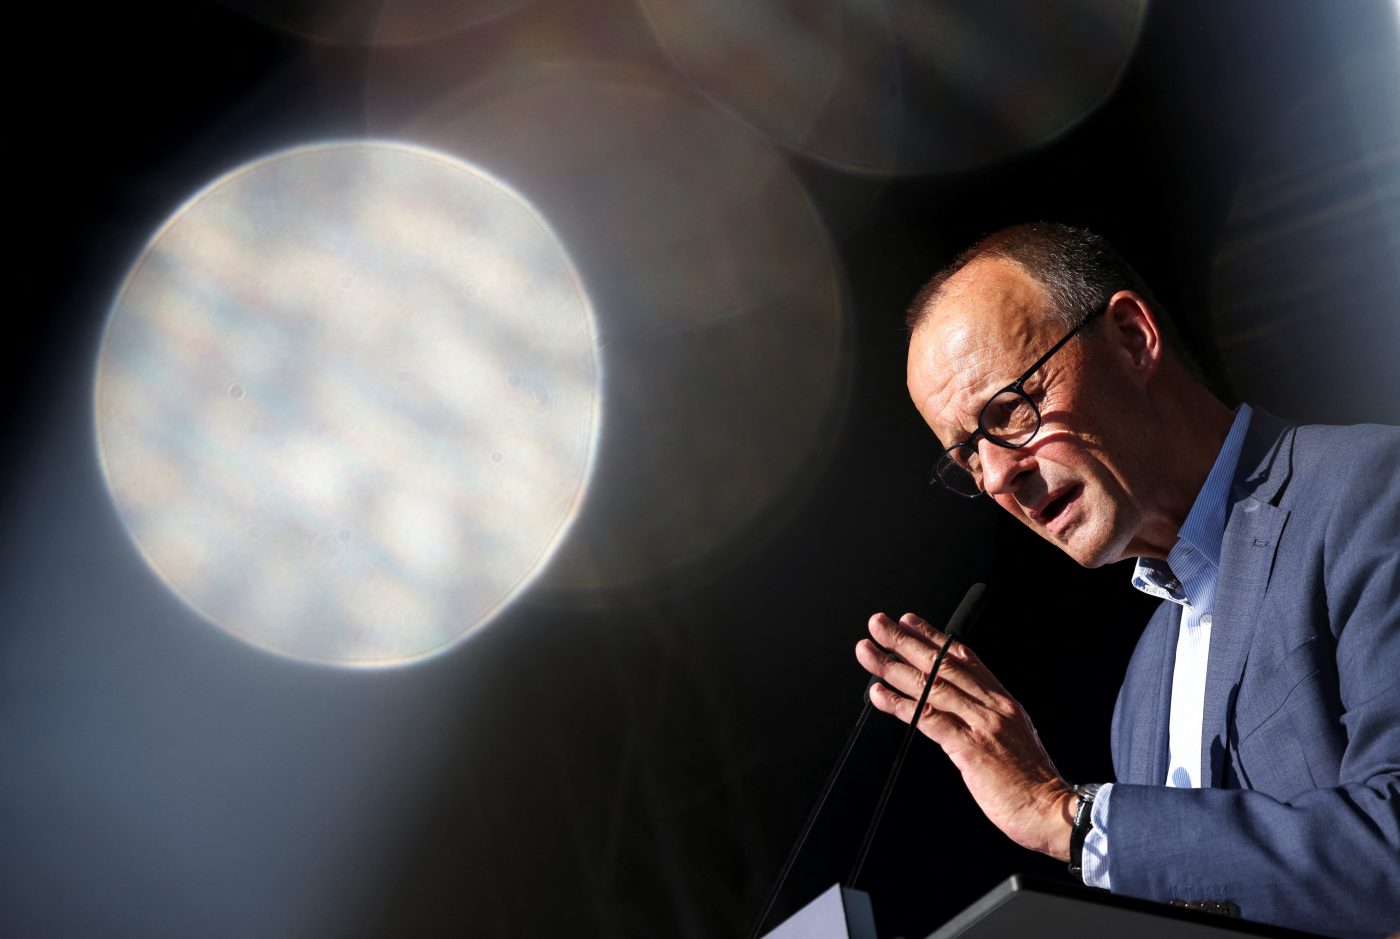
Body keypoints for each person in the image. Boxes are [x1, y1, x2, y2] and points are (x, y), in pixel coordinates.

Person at [854, 223, 1399, 937]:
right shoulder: (1140, 694)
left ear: (1132, 339)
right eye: (967, 458)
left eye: (1009, 411)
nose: (996, 477)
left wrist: (1070, 819)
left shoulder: (1366, 494)